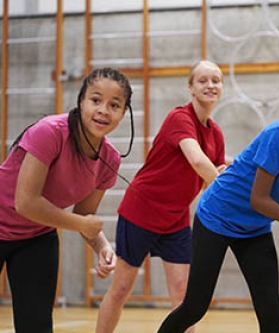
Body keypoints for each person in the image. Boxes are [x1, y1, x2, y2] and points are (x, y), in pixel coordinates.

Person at [156, 50, 279, 333]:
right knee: (195, 306)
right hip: (217, 216)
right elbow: (259, 200)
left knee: (271, 312)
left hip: (254, 228)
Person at [96, 60, 226, 333]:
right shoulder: (180, 117)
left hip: (176, 218)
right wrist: (225, 182)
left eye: (216, 80)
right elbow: (199, 163)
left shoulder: (216, 134)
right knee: (120, 289)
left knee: (184, 297)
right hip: (141, 210)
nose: (210, 85)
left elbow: (210, 180)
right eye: (203, 80)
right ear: (190, 87)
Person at [0, 67, 134, 333]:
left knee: (36, 325)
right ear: (81, 101)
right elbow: (25, 202)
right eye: (96, 100)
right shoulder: (49, 131)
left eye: (114, 105)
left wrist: (102, 247)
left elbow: (84, 215)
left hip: (36, 237)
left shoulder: (110, 158)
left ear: (124, 113)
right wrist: (82, 225)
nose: (104, 110)